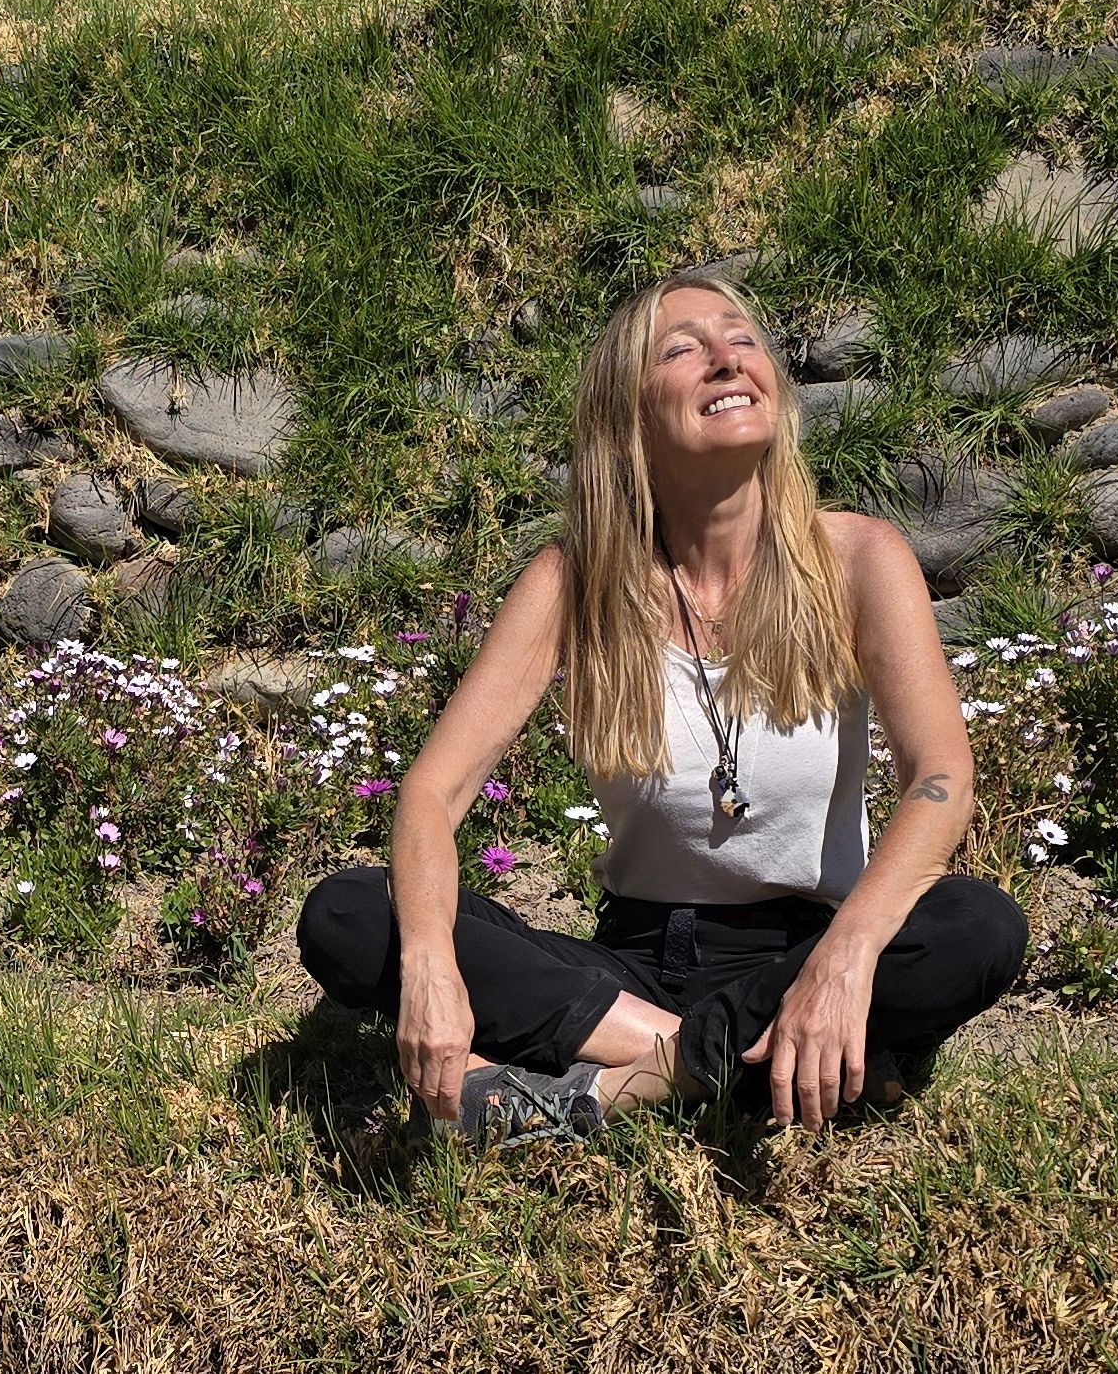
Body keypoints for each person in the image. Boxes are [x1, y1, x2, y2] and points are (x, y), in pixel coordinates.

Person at [297, 274, 1028, 1144]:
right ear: (630, 413)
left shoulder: (857, 559)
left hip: (799, 948)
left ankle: (604, 1092)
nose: (726, 358)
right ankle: (737, 1067)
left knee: (975, 927)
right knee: (349, 914)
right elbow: (432, 792)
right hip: (630, 966)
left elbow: (940, 776)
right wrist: (428, 966)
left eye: (741, 338)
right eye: (682, 348)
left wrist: (844, 956)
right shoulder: (575, 581)